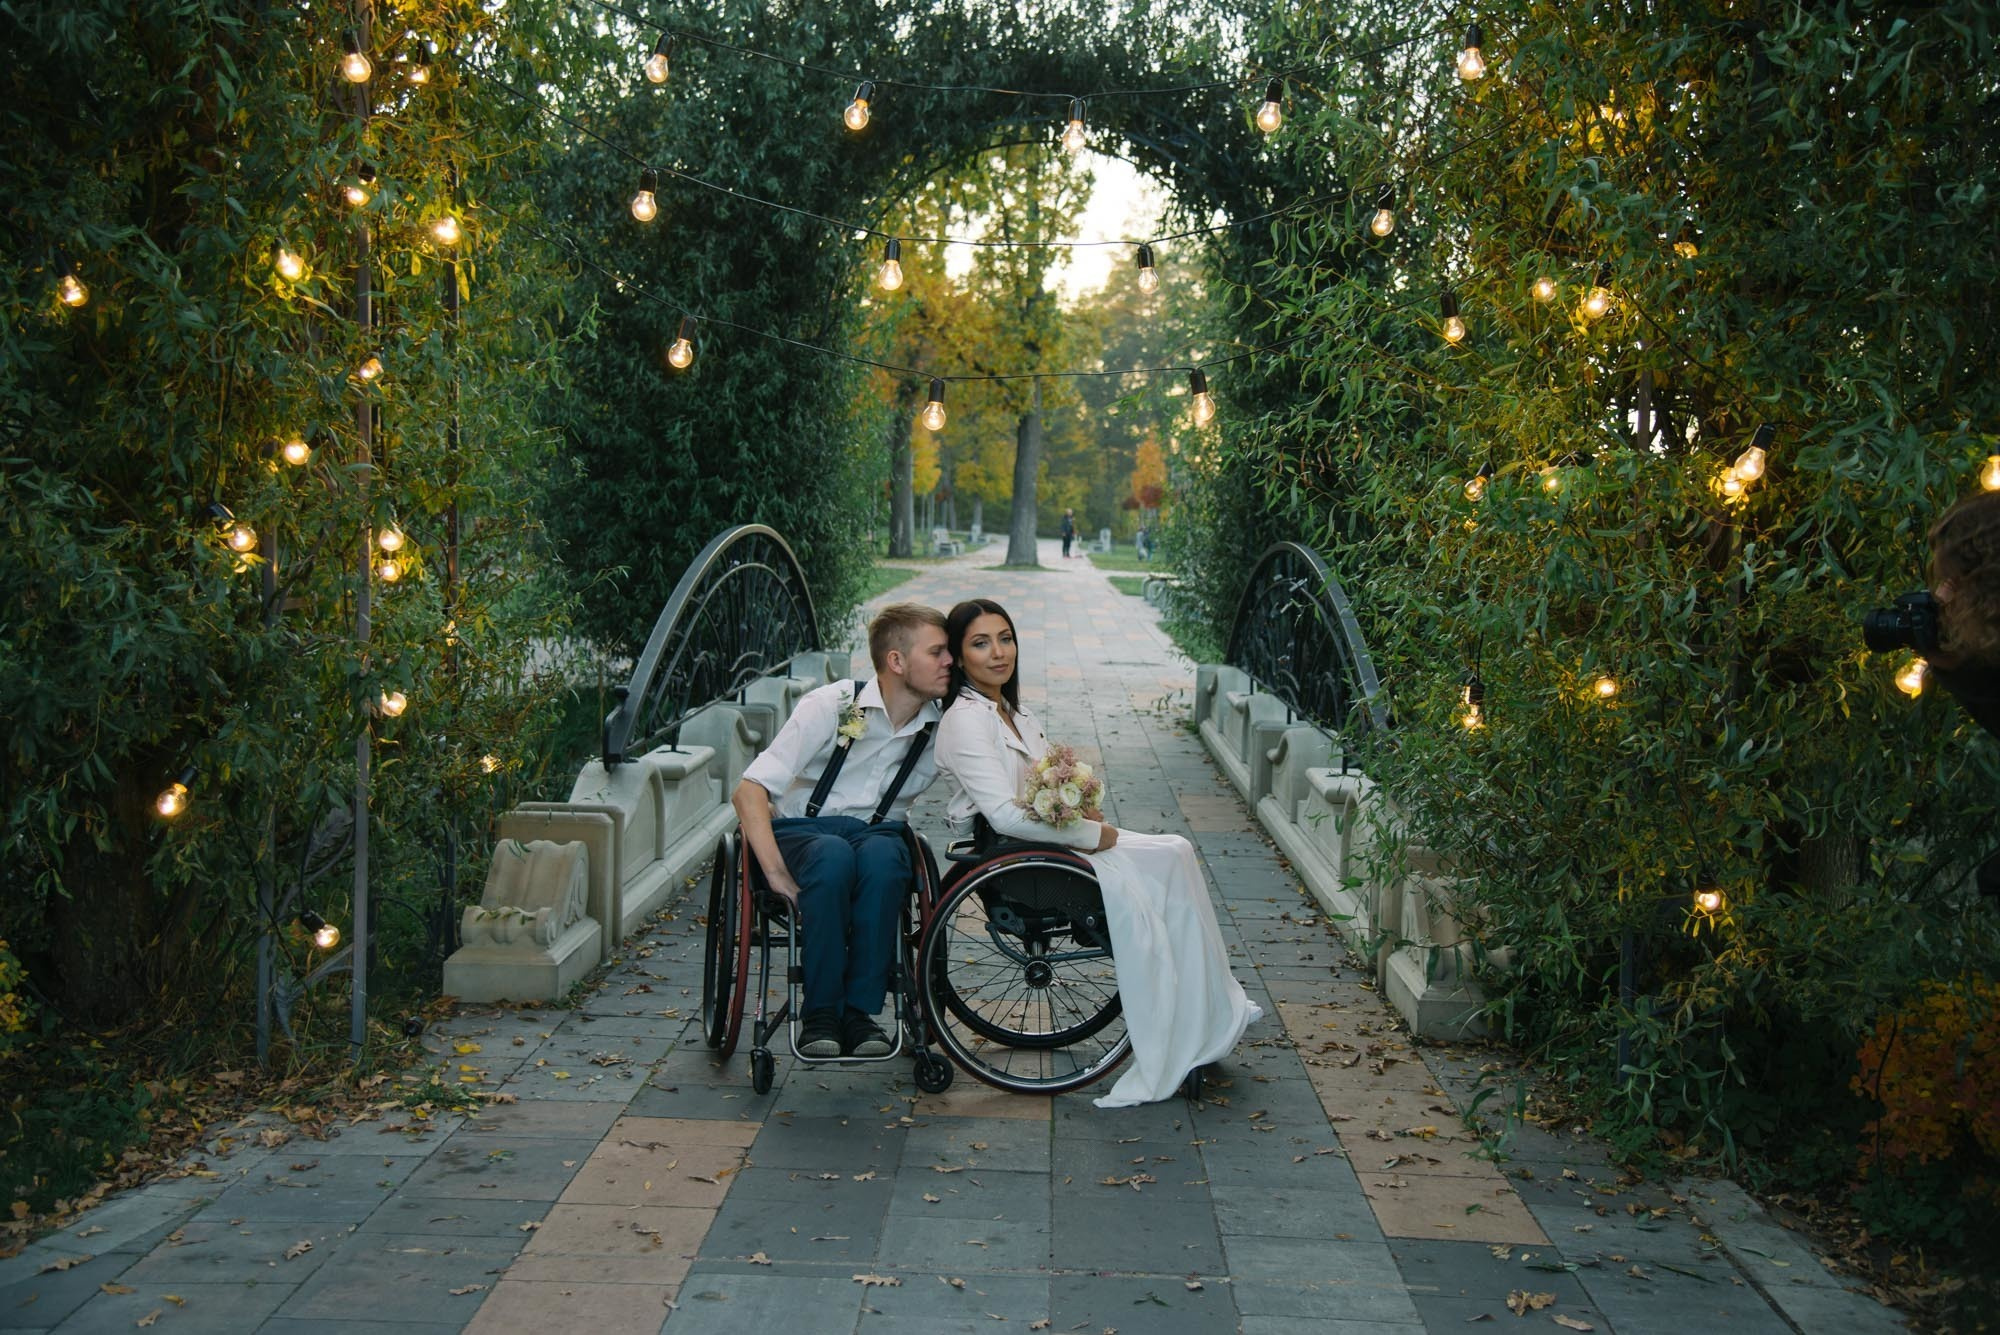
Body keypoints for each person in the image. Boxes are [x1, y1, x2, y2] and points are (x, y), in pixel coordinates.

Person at [932, 598, 1261, 1107]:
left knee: (1176, 851)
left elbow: (1041, 787)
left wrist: (1079, 809)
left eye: (1005, 638)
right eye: (980, 643)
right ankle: (1193, 1020)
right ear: (958, 655)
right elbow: (1001, 814)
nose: (998, 652)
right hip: (1023, 858)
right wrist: (1090, 834)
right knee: (1171, 856)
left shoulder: (1013, 712)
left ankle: (1206, 1013)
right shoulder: (966, 721)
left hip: (1050, 841)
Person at [733, 603, 953, 1059]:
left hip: (878, 836)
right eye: (937, 652)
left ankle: (859, 1013)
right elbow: (749, 790)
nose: (949, 661)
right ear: (896, 661)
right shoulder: (832, 705)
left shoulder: (942, 730)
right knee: (833, 856)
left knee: (883, 859)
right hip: (804, 832)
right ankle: (821, 1014)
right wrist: (773, 873)